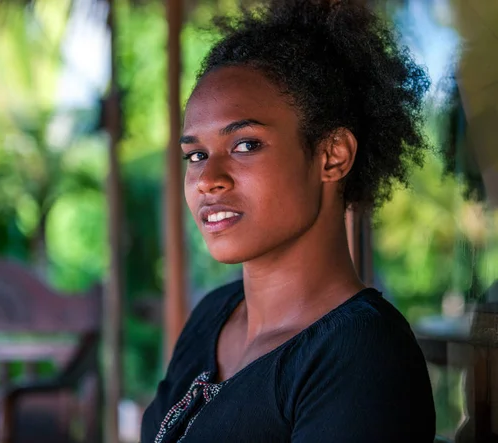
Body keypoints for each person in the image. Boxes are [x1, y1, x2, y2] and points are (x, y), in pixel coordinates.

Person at [141, 0, 436, 441]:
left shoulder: (361, 355)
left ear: (332, 156)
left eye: (245, 145)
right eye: (196, 155)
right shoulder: (211, 317)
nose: (207, 180)